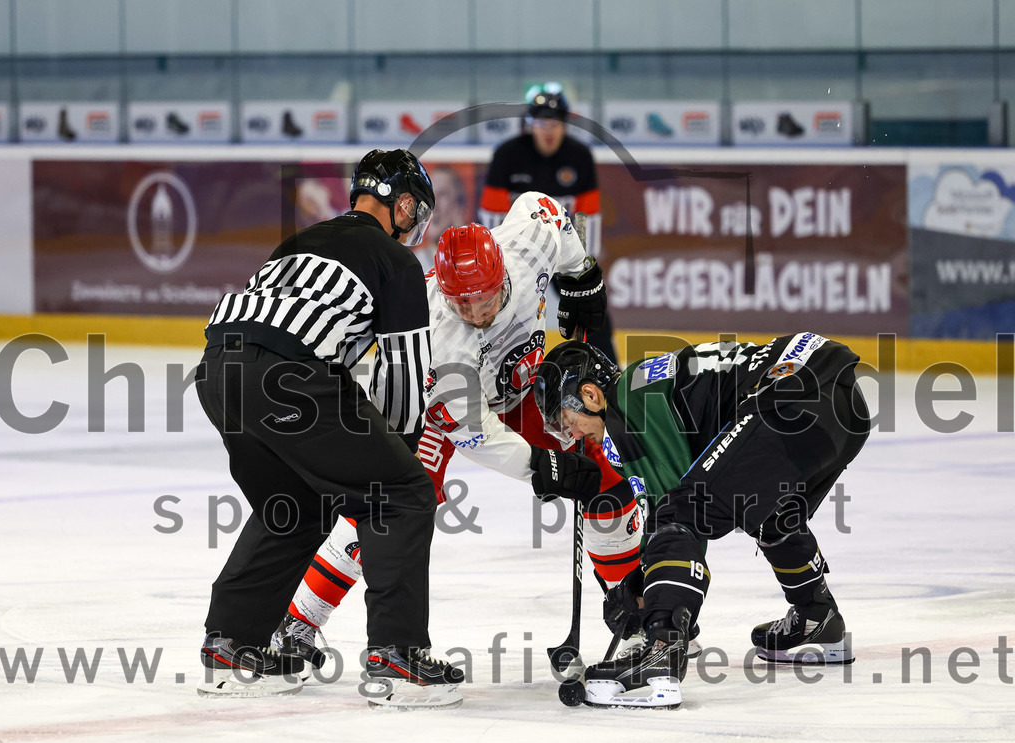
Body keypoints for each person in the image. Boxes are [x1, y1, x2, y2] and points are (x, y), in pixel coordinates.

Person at [271, 193, 643, 673]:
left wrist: (582, 277)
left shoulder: (528, 246)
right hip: (426, 409)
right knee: (391, 510)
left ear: (501, 274)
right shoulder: (442, 338)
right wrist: (547, 466)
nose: (474, 311)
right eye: (460, 302)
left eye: (483, 298)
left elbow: (544, 208)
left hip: (516, 388)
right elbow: (481, 437)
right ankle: (300, 620)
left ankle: (639, 615)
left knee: (605, 478)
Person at [195, 148, 465, 707]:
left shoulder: (299, 242)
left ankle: (231, 646)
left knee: (293, 505)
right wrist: (398, 457)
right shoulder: (395, 260)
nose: (416, 227)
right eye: (417, 213)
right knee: (403, 493)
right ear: (405, 204)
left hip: (218, 372)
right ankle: (397, 656)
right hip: (288, 375)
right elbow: (403, 379)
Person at [533, 333, 871, 708]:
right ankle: (816, 615)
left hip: (792, 392)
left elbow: (676, 510)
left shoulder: (630, 399)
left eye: (568, 420)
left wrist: (652, 599)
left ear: (591, 395)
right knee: (761, 507)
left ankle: (661, 652)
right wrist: (646, 582)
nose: (573, 435)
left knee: (682, 513)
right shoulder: (642, 389)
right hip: (840, 404)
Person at [479, 82, 618, 364]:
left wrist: (582, 266)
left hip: (565, 249)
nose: (548, 129)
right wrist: (498, 264)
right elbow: (491, 217)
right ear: (530, 124)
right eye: (542, 122)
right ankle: (488, 365)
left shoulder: (579, 157)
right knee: (500, 311)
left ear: (565, 125)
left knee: (591, 305)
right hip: (517, 254)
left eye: (555, 122)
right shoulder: (507, 156)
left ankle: (607, 369)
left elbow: (588, 217)